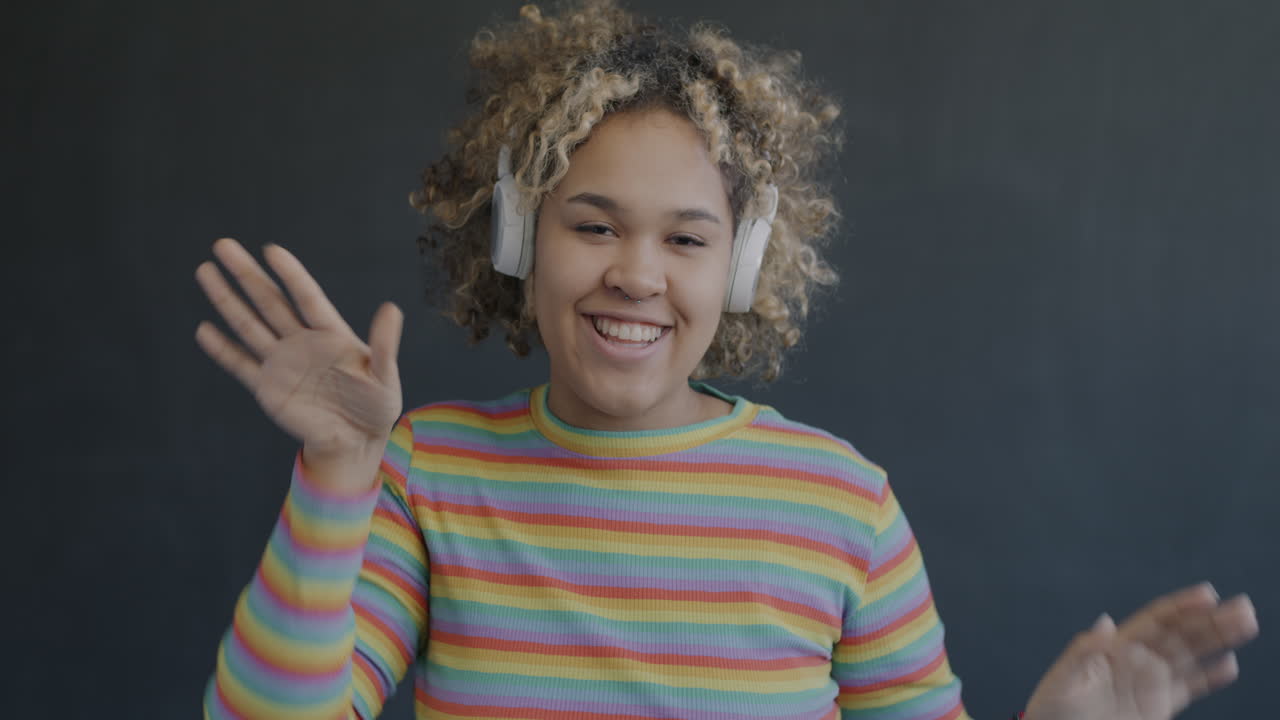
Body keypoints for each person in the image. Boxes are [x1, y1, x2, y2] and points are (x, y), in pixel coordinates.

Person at [197, 2, 1258, 718]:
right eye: (593, 226)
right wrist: (340, 472)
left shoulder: (843, 503)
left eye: (687, 239)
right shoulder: (428, 472)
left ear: (742, 267)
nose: (637, 274)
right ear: (520, 242)